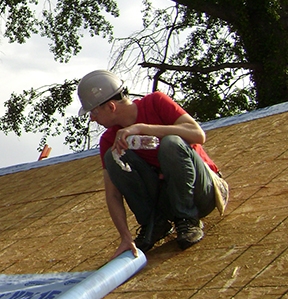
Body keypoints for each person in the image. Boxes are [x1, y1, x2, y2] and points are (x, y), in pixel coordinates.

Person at [77, 69, 226, 259]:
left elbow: (198, 134)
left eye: (94, 111)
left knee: (171, 143)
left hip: (202, 192)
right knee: (112, 157)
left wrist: (142, 128)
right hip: (168, 198)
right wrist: (125, 237)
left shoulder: (156, 102)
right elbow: (113, 193)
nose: (92, 118)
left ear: (112, 107)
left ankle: (188, 219)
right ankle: (154, 224)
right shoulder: (110, 139)